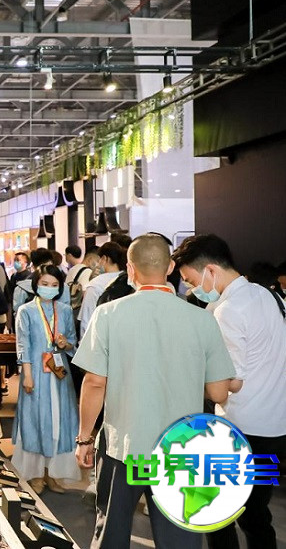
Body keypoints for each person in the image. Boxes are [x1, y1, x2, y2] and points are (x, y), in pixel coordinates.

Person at [73, 234, 235, 549]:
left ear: (130, 268)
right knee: (180, 540)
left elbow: (94, 382)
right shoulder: (202, 319)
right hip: (182, 447)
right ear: (171, 266)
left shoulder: (108, 314)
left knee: (111, 534)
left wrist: (84, 438)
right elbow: (218, 393)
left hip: (123, 444)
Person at [173, 234, 286, 549]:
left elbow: (225, 388)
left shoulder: (228, 311)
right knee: (255, 514)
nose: (191, 288)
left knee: (214, 512)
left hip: (243, 428)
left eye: (190, 280)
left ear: (210, 270)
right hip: (274, 424)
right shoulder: (266, 295)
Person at [12, 264, 80, 494]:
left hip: (59, 374)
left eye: (54, 285)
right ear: (36, 284)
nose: (49, 288)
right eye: (44, 284)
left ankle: (52, 473)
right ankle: (35, 475)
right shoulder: (26, 311)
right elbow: (23, 345)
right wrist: (27, 375)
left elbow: (73, 342)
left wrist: (65, 343)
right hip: (35, 373)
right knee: (35, 421)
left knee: (59, 422)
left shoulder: (65, 310)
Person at [78, 241, 126, 338]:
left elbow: (87, 320)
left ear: (104, 259)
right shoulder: (128, 280)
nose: (98, 264)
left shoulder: (95, 285)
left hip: (101, 338)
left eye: (99, 260)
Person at [13, 248, 70, 315]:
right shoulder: (63, 287)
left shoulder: (21, 288)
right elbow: (66, 312)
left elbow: (18, 313)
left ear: (33, 266)